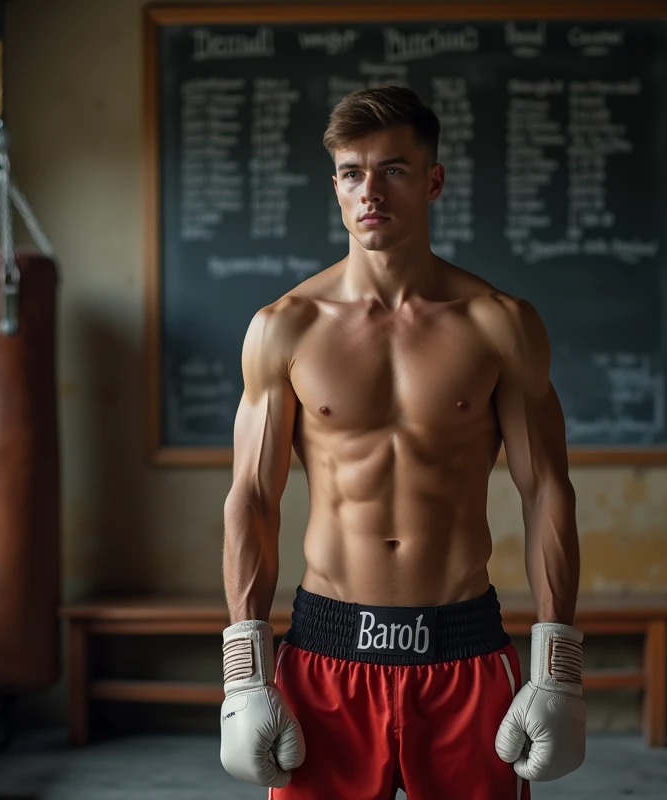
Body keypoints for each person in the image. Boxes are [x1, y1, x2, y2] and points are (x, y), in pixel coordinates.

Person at [219, 85, 585, 800]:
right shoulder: (284, 327)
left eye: (392, 169)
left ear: (433, 179)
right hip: (325, 655)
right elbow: (254, 497)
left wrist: (557, 665)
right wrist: (245, 672)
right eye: (352, 173)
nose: (370, 190)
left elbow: (545, 490)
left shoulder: (498, 324)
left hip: (463, 653)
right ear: (335, 187)